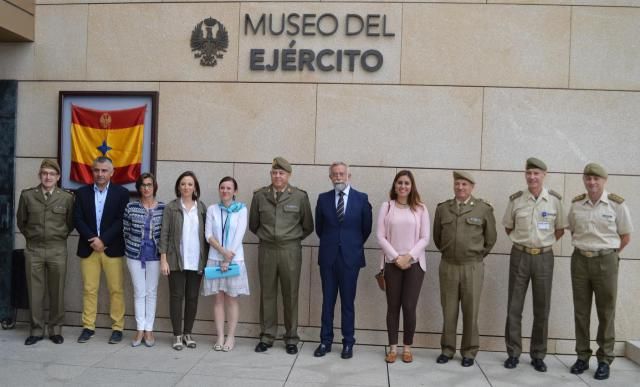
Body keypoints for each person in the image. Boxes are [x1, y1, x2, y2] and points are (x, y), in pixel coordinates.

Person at [567, 163, 633, 380]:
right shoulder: (577, 204)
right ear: (584, 180)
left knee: (606, 312)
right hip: (580, 261)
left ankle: (604, 359)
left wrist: (608, 254)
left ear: (604, 180)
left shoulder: (616, 205)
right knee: (581, 312)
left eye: (596, 179)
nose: (592, 182)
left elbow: (625, 236)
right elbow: (573, 230)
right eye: (588, 178)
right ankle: (582, 356)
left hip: (606, 261)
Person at [502, 157, 566, 372]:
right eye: (529, 173)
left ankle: (538, 354)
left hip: (544, 258)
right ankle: (513, 352)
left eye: (536, 173)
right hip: (519, 255)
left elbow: (559, 230)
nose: (532, 177)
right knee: (514, 306)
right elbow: (508, 227)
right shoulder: (517, 200)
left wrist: (542, 244)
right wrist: (525, 244)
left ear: (544, 175)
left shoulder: (554, 200)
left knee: (542, 307)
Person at [249, 157, 314, 354]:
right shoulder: (260, 196)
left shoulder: (300, 197)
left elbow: (308, 226)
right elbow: (254, 224)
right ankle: (267, 336)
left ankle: (291, 337)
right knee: (267, 293)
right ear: (271, 174)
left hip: (290, 251)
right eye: (275, 172)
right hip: (267, 250)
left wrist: (289, 239)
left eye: (282, 173)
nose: (278, 176)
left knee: (290, 293)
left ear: (288, 175)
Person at [432, 171, 497, 367]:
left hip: (472, 267)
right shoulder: (443, 208)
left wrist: (475, 255)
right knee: (449, 311)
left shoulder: (482, 209)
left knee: (471, 310)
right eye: (457, 184)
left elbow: (491, 238)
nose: (460, 188)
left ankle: (469, 352)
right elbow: (437, 237)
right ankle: (447, 349)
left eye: (464, 185)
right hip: (449, 265)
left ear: (471, 187)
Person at [314, 162, 372, 359]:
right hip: (328, 258)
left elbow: (366, 229)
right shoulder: (323, 199)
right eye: (334, 174)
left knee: (348, 302)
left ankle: (348, 342)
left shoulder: (361, 199)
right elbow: (319, 229)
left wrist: (350, 244)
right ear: (330, 177)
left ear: (349, 176)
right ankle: (325, 341)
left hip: (350, 259)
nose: (338, 177)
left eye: (342, 174)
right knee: (327, 301)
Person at [17, 159, 74, 345]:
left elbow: (70, 223)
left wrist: (57, 237)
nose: (47, 177)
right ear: (40, 176)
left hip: (57, 250)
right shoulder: (27, 196)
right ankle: (36, 330)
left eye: (51, 174)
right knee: (35, 292)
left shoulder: (66, 198)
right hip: (34, 250)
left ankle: (55, 330)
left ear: (58, 177)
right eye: (44, 173)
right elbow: (21, 222)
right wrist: (33, 238)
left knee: (57, 291)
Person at [73, 156, 130, 344]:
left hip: (111, 248)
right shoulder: (81, 193)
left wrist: (103, 240)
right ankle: (88, 326)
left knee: (116, 290)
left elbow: (121, 220)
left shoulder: (121, 193)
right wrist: (94, 240)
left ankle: (117, 328)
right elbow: (78, 219)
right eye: (97, 170)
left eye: (104, 170)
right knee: (89, 289)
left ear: (112, 172)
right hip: (89, 248)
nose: (100, 174)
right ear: (92, 171)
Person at [376, 170, 430, 364]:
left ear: (412, 186)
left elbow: (425, 238)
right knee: (393, 307)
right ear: (395, 185)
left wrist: (409, 256)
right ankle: (392, 348)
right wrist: (396, 257)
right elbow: (380, 236)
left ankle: (407, 347)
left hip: (414, 264)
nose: (403, 186)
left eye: (407, 183)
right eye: (400, 183)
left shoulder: (421, 208)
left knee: (409, 306)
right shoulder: (387, 206)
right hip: (392, 264)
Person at [159, 171, 208, 350]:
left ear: (195, 187)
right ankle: (177, 335)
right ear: (178, 187)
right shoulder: (171, 207)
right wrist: (163, 259)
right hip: (175, 260)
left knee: (193, 298)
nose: (186, 187)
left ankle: (188, 333)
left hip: (196, 261)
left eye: (190, 184)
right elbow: (163, 234)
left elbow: (206, 237)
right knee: (176, 297)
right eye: (183, 184)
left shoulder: (202, 208)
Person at [202, 176, 249, 352]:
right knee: (218, 298)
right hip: (215, 258)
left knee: (232, 299)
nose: (225, 191)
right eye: (222, 187)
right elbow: (208, 235)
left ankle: (231, 336)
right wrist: (222, 253)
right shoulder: (213, 209)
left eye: (229, 188)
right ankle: (220, 335)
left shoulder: (242, 210)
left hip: (234, 259)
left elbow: (239, 234)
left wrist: (228, 257)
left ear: (235, 191)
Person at [123, 173, 165, 347]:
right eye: (143, 185)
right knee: (139, 291)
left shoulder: (163, 208)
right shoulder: (131, 207)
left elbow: (165, 233)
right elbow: (125, 231)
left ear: (154, 187)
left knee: (151, 292)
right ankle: (140, 328)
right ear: (139, 188)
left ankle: (149, 329)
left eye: (149, 184)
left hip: (155, 256)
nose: (146, 188)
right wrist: (132, 247)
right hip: (135, 255)